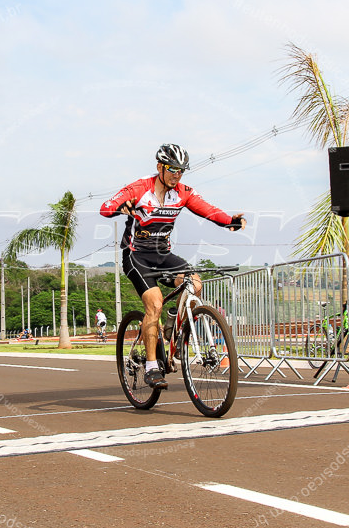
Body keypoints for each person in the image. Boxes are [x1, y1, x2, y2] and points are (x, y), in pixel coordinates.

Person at [101, 144, 244, 390]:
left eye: (181, 171)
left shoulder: (183, 192)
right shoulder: (139, 188)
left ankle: (171, 323)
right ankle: (152, 367)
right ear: (160, 167)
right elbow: (105, 208)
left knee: (195, 284)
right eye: (172, 170)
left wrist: (228, 221)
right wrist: (119, 208)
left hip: (163, 255)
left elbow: (207, 210)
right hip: (137, 257)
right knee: (154, 304)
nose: (177, 175)